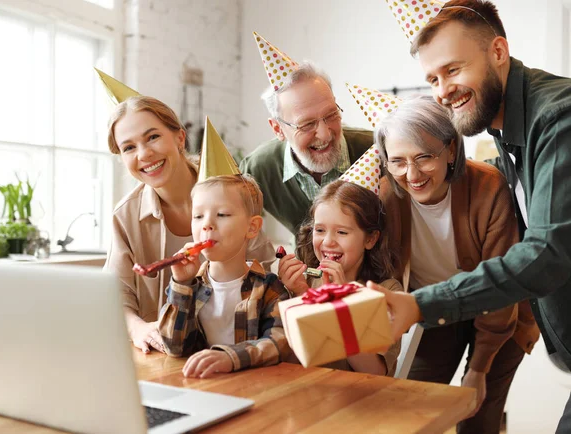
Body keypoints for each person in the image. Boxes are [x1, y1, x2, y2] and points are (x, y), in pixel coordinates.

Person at [374, 1, 571, 431]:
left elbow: (548, 252)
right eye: (432, 79)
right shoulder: (505, 125)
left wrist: (419, 305)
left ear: (498, 52)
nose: (443, 90)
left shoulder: (557, 118)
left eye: (453, 69)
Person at [375, 94, 538, 433]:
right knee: (414, 408)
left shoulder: (488, 186)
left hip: (500, 315)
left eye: (424, 157)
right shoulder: (387, 197)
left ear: (450, 150)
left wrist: (477, 370)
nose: (412, 174)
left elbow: (500, 288)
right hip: (434, 309)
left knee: (477, 416)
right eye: (399, 161)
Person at [104, 95, 275, 355]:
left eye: (153, 137)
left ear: (180, 138)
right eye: (128, 147)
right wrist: (138, 328)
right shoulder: (125, 215)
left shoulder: (229, 197)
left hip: (239, 353)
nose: (144, 154)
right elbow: (116, 294)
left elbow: (266, 271)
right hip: (164, 357)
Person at [157, 174, 291, 378]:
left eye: (222, 214)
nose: (207, 225)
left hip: (255, 388)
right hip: (202, 385)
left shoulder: (269, 288)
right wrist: (182, 283)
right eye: (198, 216)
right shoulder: (190, 286)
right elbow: (174, 347)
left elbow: (279, 344)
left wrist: (230, 358)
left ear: (252, 227)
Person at [239, 33, 373, 235]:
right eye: (307, 124)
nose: (325, 133)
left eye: (331, 115)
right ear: (278, 129)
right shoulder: (257, 169)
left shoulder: (375, 150)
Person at [278, 173, 403, 376]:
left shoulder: (385, 293)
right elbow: (289, 358)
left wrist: (340, 306)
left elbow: (374, 372)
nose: (328, 242)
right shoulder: (306, 281)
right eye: (319, 230)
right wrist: (302, 294)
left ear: (370, 239)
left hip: (356, 400)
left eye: (342, 232)